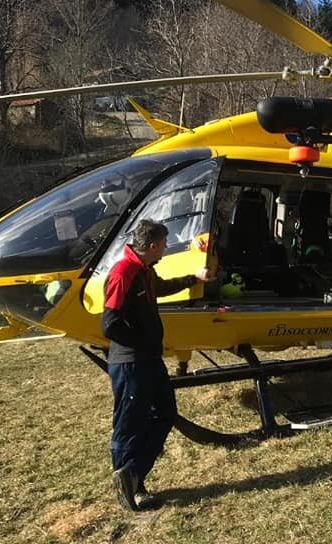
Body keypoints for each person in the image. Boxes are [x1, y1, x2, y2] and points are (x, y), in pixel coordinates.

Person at [101, 219, 212, 511]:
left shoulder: (145, 270)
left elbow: (161, 288)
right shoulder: (124, 272)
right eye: (164, 243)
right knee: (129, 423)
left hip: (150, 360)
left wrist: (194, 278)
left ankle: (133, 473)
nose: (165, 247)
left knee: (165, 413)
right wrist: (140, 344)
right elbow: (109, 324)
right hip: (132, 364)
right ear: (152, 246)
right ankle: (130, 486)